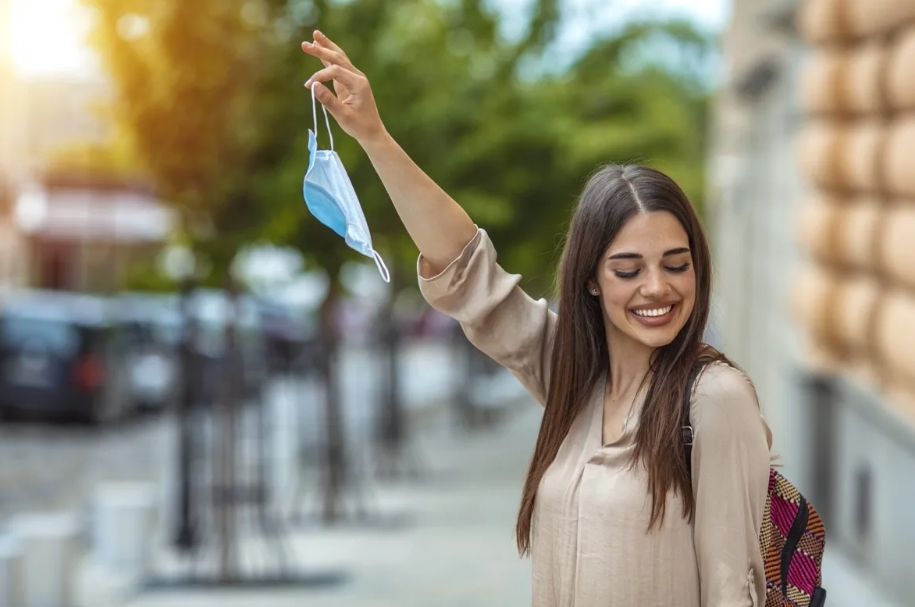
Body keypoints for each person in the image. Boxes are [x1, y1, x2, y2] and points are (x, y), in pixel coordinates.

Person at [302, 30, 773, 607]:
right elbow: (467, 273)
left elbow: (735, 589)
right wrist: (373, 137)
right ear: (591, 281)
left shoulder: (714, 399)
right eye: (628, 269)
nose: (658, 287)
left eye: (676, 264)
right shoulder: (572, 377)